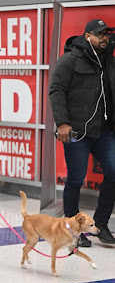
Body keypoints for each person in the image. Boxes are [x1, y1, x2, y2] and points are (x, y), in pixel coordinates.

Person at [49, 19, 115, 247]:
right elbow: (56, 90)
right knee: (76, 179)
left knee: (113, 173)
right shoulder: (69, 60)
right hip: (76, 130)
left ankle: (101, 225)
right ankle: (73, 229)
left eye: (107, 34)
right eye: (100, 34)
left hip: (104, 131)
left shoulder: (109, 62)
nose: (105, 38)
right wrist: (62, 123)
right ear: (88, 36)